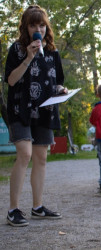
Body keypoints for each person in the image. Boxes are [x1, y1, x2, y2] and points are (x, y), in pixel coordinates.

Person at [4, 5, 66, 227]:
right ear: (26, 27)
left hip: (45, 109)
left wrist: (61, 90)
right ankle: (13, 210)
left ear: (46, 26)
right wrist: (28, 57)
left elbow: (58, 81)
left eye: (41, 24)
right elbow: (11, 80)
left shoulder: (52, 52)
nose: (38, 29)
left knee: (41, 157)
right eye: (33, 25)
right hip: (20, 110)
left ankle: (37, 207)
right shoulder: (17, 49)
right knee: (25, 154)